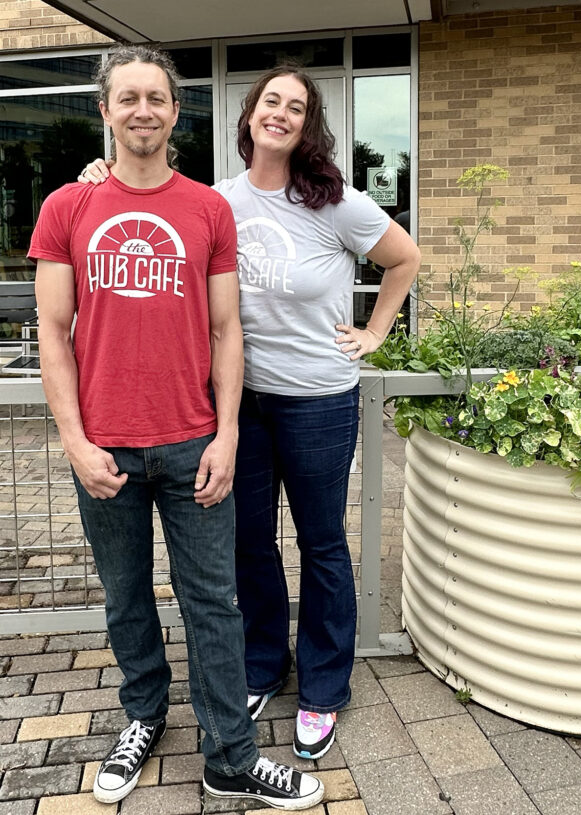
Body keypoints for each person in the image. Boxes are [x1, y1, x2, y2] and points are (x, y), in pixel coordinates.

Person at [80, 62, 421, 761]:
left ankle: (325, 684)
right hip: (239, 401)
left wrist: (377, 331)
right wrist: (96, 177)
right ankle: (264, 663)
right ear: (249, 115)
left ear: (307, 125)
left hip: (319, 400)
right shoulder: (218, 199)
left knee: (322, 542)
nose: (281, 114)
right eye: (271, 101)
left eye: (296, 107)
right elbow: (148, 201)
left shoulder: (336, 202)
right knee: (248, 543)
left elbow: (404, 258)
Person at [30, 45, 323, 811]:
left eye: (156, 97)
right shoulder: (67, 208)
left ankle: (230, 755)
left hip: (194, 441)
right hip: (105, 448)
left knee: (214, 604)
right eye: (126, 98)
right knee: (126, 597)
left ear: (174, 110)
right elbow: (51, 331)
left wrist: (227, 433)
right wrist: (74, 441)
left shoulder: (206, 209)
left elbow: (228, 332)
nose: (143, 111)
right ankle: (143, 716)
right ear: (105, 110)